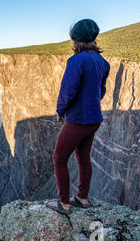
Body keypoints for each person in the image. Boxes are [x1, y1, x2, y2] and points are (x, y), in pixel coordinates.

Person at [45, 19, 110, 215]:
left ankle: (63, 203)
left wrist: (60, 111)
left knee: (59, 158)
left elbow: (68, 90)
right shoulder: (103, 62)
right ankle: (82, 198)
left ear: (76, 41)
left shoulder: (76, 61)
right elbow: (101, 90)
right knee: (84, 159)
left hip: (78, 119)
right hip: (94, 118)